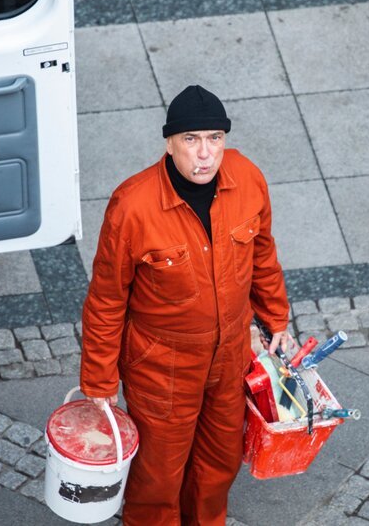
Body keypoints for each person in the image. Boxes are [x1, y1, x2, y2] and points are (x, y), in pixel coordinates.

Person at [79, 85, 291, 525]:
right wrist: (99, 382)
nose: (205, 154)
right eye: (191, 140)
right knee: (157, 476)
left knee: (219, 464)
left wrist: (276, 320)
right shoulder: (133, 206)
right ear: (169, 143)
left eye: (215, 138)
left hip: (231, 354)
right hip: (162, 363)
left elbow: (264, 256)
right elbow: (106, 299)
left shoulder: (248, 179)